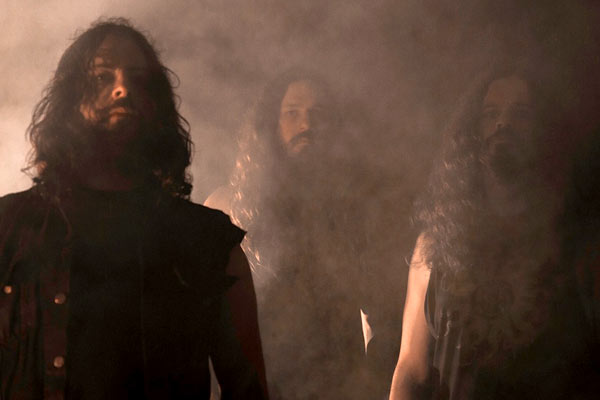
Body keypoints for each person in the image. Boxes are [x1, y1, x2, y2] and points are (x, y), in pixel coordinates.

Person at [0, 18, 268, 399]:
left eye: (139, 80)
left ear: (157, 104)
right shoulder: (9, 228)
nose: (123, 89)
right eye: (102, 78)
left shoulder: (208, 242)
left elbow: (249, 390)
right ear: (70, 101)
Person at [389, 65, 594, 399]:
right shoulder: (436, 242)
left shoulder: (574, 240)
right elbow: (412, 368)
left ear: (543, 133)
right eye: (491, 114)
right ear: (474, 131)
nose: (503, 124)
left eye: (520, 114)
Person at [206, 69, 378, 399]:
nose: (306, 125)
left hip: (336, 383)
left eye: (317, 114)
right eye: (292, 113)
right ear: (271, 124)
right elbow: (204, 318)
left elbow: (373, 314)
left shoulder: (352, 211)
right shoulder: (229, 207)